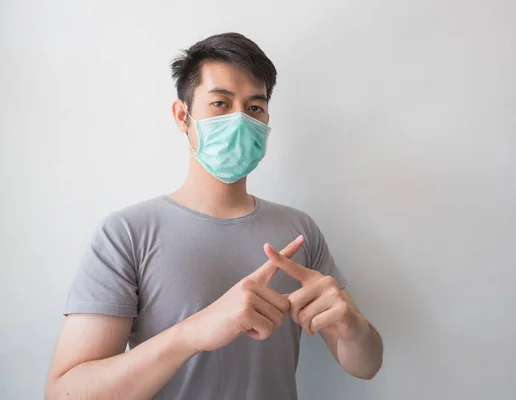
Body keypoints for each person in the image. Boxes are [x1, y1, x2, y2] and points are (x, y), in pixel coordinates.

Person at [45, 32, 383, 400]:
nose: (240, 121)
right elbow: (65, 393)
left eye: (255, 108)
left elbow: (366, 365)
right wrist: (191, 333)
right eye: (221, 103)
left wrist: (354, 328)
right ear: (182, 116)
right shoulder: (127, 234)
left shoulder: (299, 231)